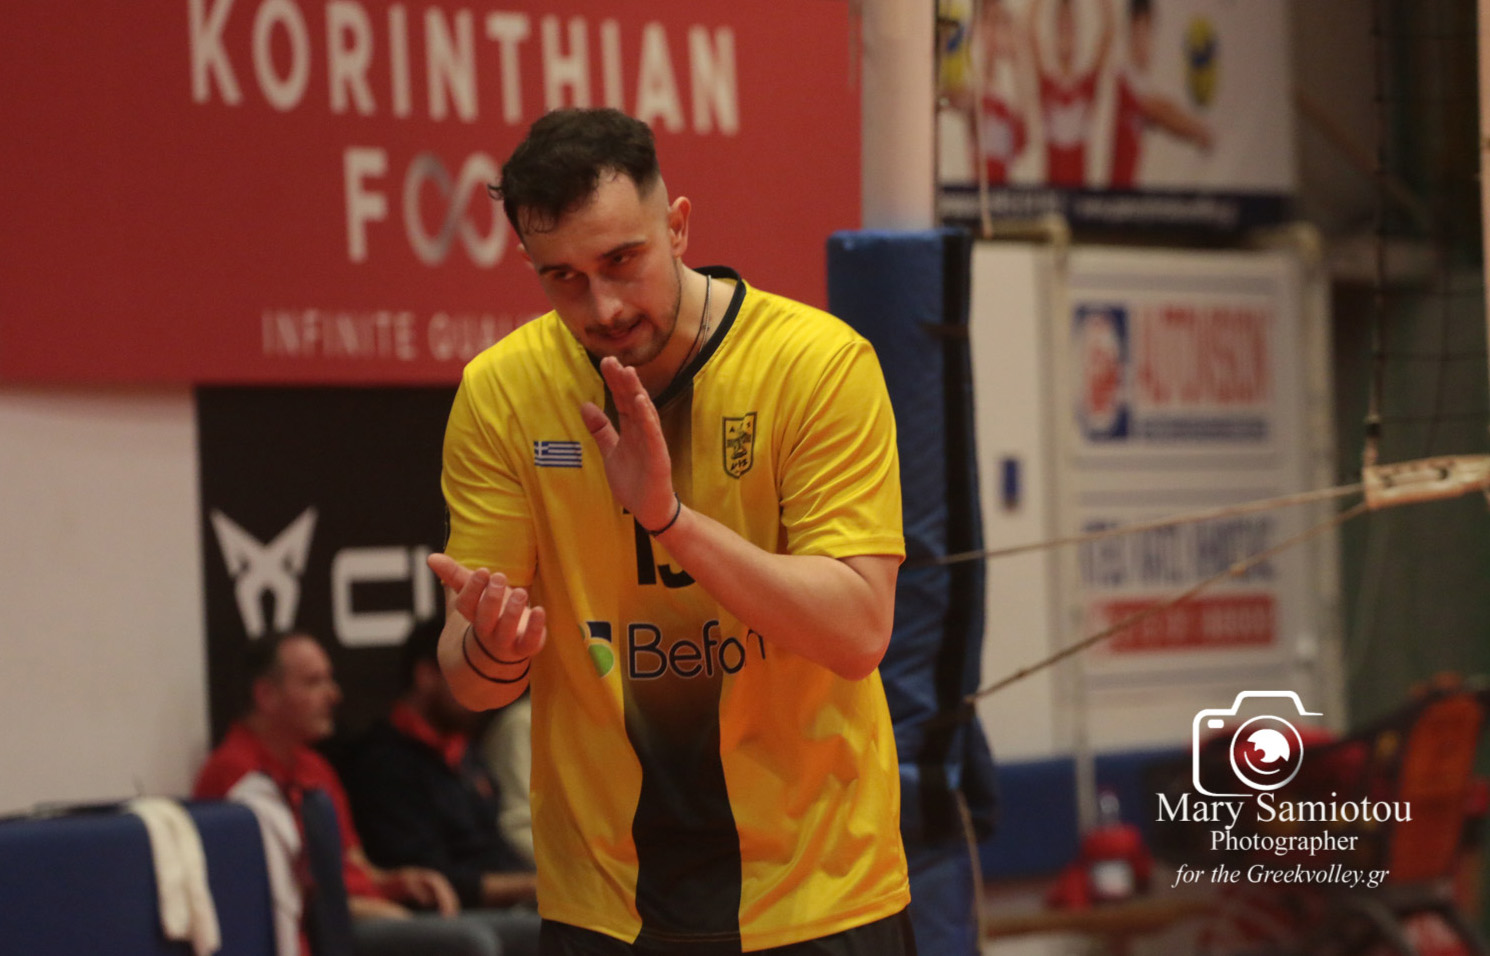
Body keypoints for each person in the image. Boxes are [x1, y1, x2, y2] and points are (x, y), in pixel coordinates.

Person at [428, 107, 914, 954]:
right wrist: (495, 651)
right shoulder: (501, 393)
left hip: (818, 889)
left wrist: (671, 523)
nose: (603, 305)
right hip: (606, 902)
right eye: (563, 277)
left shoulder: (817, 366)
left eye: (622, 260)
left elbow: (859, 630)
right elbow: (471, 683)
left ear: (678, 226)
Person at [193, 631, 521, 956]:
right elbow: (277, 899)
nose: (334, 695)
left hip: (365, 909)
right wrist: (376, 910)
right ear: (266, 695)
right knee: (470, 944)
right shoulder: (234, 776)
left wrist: (399, 881)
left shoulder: (314, 766)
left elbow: (354, 863)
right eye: (314, 682)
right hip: (325, 927)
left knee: (534, 925)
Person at [341, 619, 541, 954]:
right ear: (426, 675)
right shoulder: (384, 764)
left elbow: (493, 843)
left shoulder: (464, 751)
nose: (482, 689)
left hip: (509, 902)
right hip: (445, 913)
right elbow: (435, 880)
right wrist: (535, 885)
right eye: (471, 674)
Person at [1108, 0, 1213, 188]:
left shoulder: (1139, 83)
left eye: (1146, 34)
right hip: (1112, 195)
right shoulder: (1123, 80)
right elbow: (1160, 112)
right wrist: (1198, 131)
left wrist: (1197, 128)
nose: (1142, 45)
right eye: (1137, 34)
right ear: (1128, 35)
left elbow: (1165, 107)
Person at [1029, 0, 1114, 186]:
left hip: (1080, 191)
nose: (1065, 36)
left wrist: (1104, 6)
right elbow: (1029, 31)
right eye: (1061, 28)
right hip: (1050, 189)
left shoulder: (1087, 85)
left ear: (1078, 34)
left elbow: (1109, 31)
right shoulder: (1046, 83)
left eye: (1070, 28)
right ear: (1053, 34)